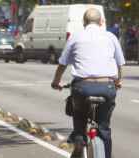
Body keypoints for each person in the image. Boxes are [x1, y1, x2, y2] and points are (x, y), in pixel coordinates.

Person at [51, 8, 125, 158]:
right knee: (104, 128)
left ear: (84, 22)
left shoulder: (75, 37)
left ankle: (79, 141)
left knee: (79, 116)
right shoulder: (111, 37)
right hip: (107, 87)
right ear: (101, 22)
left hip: (82, 87)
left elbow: (62, 63)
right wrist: (118, 81)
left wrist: (56, 82)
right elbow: (120, 64)